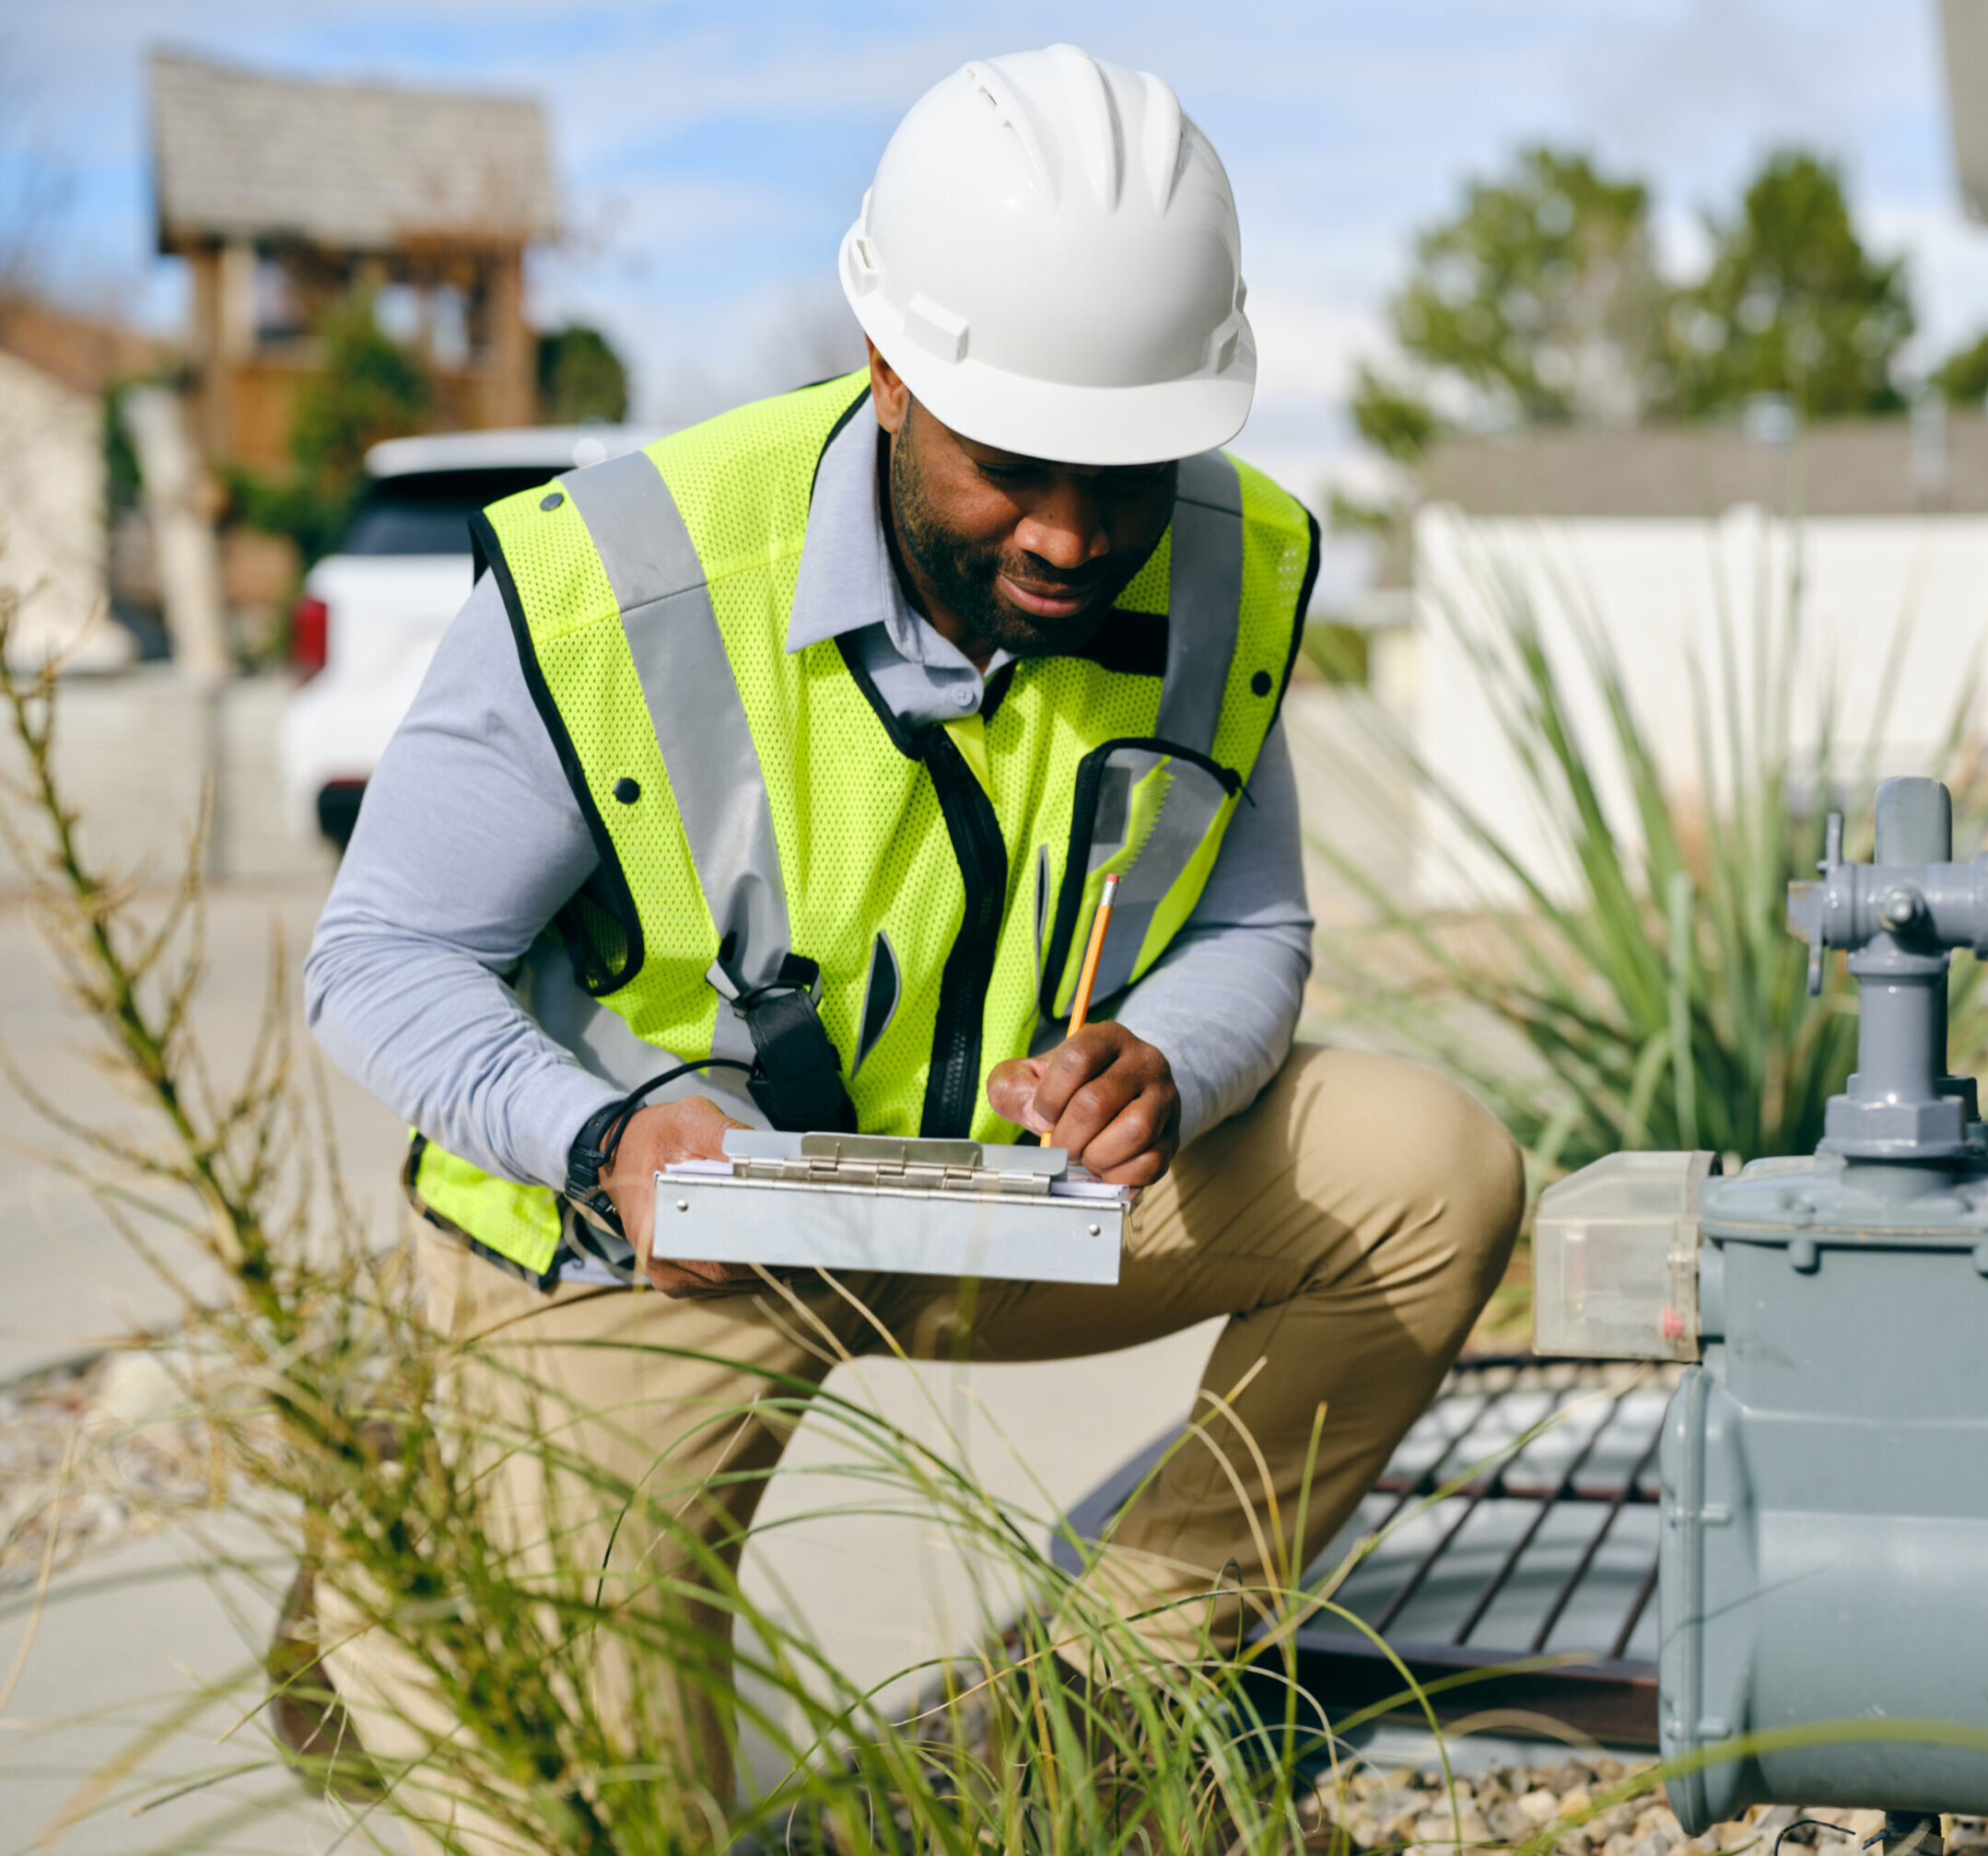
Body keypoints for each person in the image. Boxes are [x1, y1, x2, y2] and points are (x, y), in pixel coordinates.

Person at [300, 41, 1521, 1845]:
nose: (1076, 534)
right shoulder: (619, 579)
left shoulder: (1234, 559)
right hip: (654, 1241)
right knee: (601, 1820)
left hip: (988, 1200)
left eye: (1128, 465)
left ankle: (1077, 1711)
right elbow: (380, 955)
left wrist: (1173, 1055)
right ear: (888, 373)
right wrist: (602, 1136)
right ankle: (394, 1575)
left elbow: (1253, 919)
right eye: (1015, 463)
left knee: (1434, 1168)